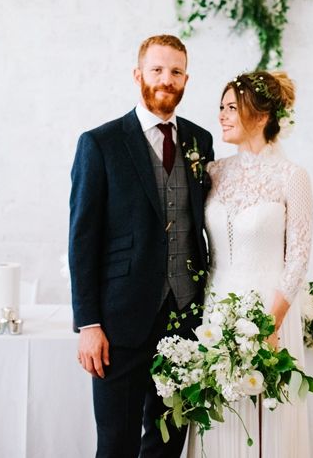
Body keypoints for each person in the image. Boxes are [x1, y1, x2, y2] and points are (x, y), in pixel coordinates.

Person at [69, 34, 214, 458]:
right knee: (116, 444)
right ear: (138, 75)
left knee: (168, 445)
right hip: (119, 324)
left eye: (176, 71)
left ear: (186, 78)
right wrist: (89, 323)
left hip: (186, 320)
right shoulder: (100, 144)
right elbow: (82, 237)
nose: (166, 79)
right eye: (157, 69)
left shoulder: (199, 141)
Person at [187, 71, 313, 457]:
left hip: (270, 311)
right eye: (221, 108)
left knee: (268, 422)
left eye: (231, 108)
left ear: (260, 117)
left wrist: (269, 327)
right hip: (216, 311)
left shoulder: (293, 177)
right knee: (219, 418)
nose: (222, 116)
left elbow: (299, 258)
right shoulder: (213, 172)